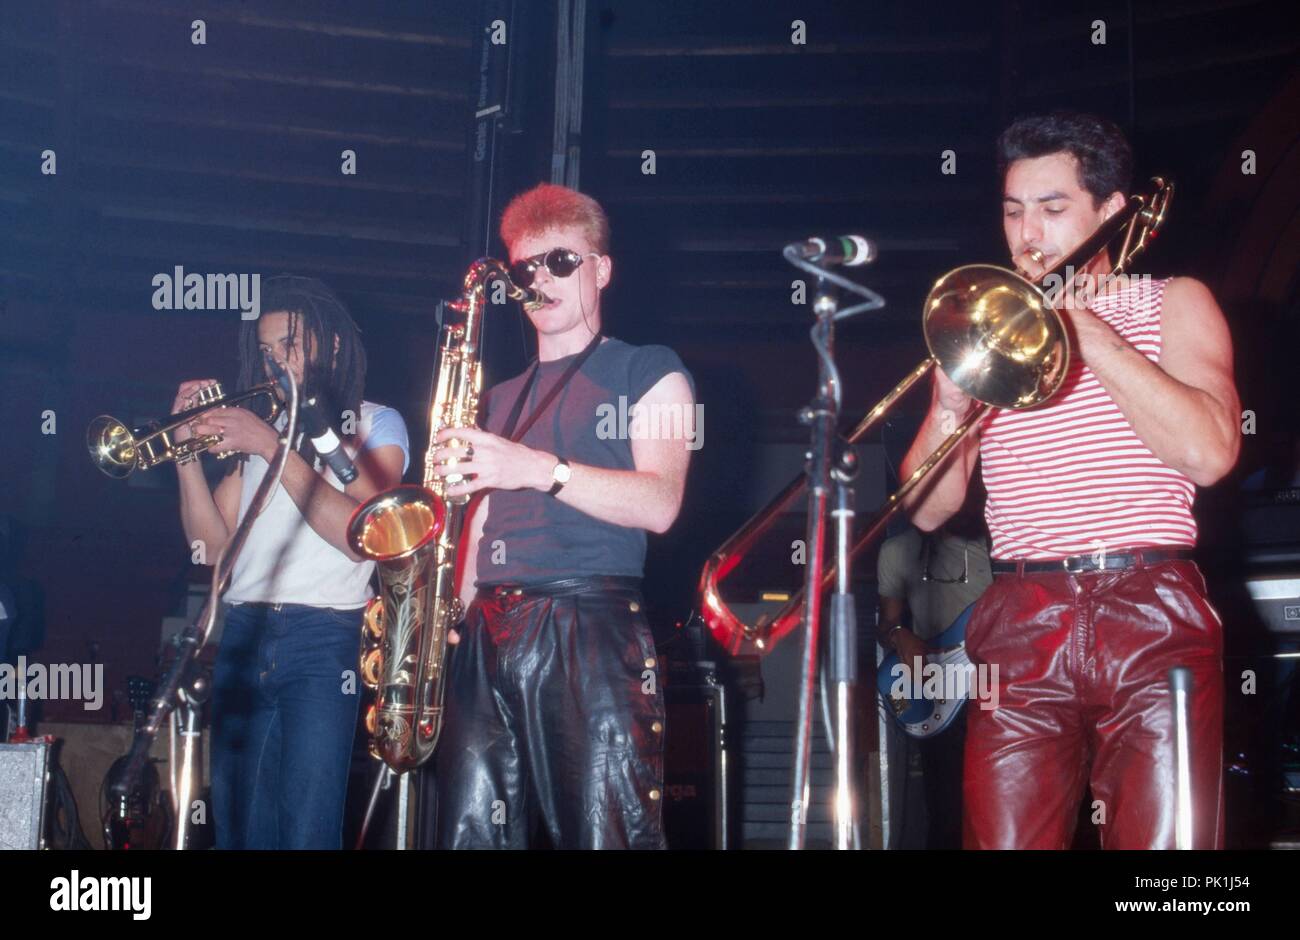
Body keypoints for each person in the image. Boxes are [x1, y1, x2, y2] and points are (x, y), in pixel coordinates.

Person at [901, 112, 1240, 849]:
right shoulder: (990, 326)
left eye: (1053, 210)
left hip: (1152, 610)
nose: (1029, 234)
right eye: (1014, 210)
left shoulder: (1175, 301)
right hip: (1022, 614)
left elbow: (1211, 453)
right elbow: (927, 511)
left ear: (1111, 213)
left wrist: (1092, 334)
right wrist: (948, 408)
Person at [429, 183, 696, 849]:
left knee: (606, 835)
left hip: (589, 626)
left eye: (562, 262)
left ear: (601, 269)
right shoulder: (494, 398)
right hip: (486, 630)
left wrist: (538, 469)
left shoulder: (653, 370)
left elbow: (662, 504)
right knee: (471, 837)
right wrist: (443, 624)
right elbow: (483, 524)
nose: (540, 280)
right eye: (526, 269)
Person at [174, 275, 409, 848]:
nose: (275, 361)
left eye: (291, 345)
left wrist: (268, 447)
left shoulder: (375, 424)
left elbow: (361, 537)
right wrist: (183, 455)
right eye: (266, 349)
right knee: (237, 822)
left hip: (323, 638)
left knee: (307, 824)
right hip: (244, 633)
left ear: (330, 345)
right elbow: (209, 549)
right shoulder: (263, 428)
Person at [876, 509, 992, 848]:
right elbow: (886, 626)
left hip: (992, 678)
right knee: (944, 805)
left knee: (994, 798)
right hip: (937, 680)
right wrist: (900, 633)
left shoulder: (995, 544)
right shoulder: (897, 552)